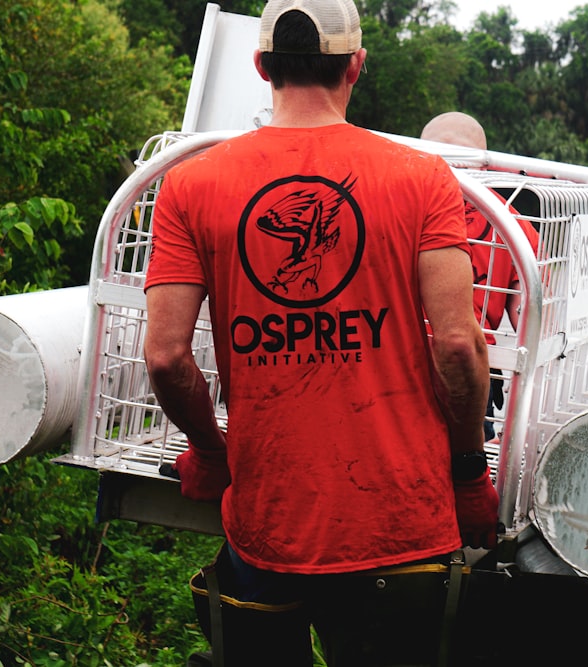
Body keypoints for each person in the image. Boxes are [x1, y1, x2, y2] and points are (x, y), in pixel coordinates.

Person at [142, 1, 495, 664]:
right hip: (403, 525)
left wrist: (211, 452)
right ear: (355, 67)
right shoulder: (422, 179)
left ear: (261, 65)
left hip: (269, 525)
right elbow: (458, 345)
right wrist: (470, 471)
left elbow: (164, 358)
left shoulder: (190, 185)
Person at [420, 112, 541, 441]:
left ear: (484, 166)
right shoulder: (512, 224)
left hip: (470, 374)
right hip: (416, 366)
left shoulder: (514, 228)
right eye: (445, 157)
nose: (453, 169)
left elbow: (531, 322)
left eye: (462, 159)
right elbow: (532, 323)